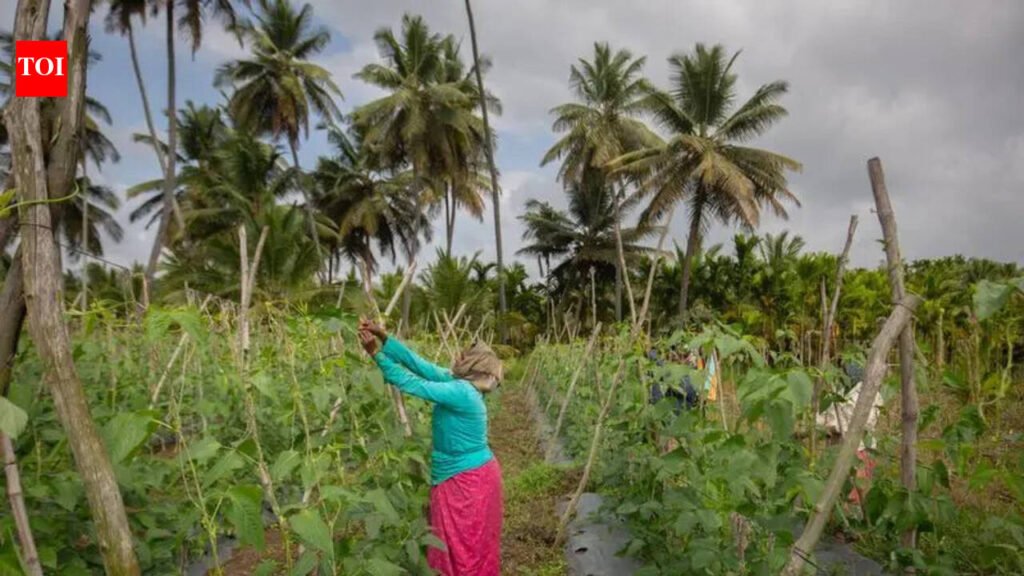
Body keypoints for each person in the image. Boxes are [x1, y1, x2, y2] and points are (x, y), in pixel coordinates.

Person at [357, 319, 503, 576]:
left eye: (464, 356)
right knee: (464, 543)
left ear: (473, 365)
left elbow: (413, 383)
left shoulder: (463, 392)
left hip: (467, 479)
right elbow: (419, 365)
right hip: (469, 473)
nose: (457, 357)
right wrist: (384, 337)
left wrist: (376, 355)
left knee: (463, 545)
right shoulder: (461, 384)